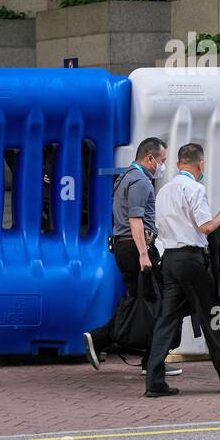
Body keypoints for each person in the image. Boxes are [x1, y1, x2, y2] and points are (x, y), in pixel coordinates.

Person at [142, 143, 220, 397]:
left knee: (167, 319)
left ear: (177, 164)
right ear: (200, 164)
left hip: (171, 259)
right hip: (192, 260)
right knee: (213, 316)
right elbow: (206, 227)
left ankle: (154, 380)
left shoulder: (162, 191)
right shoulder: (194, 189)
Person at [82, 136, 181, 376]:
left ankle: (148, 357)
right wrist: (144, 254)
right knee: (161, 302)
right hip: (136, 247)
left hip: (125, 247)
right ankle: (107, 341)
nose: (163, 165)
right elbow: (135, 220)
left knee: (143, 300)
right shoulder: (140, 181)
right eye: (162, 160)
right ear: (150, 158)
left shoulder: (125, 178)